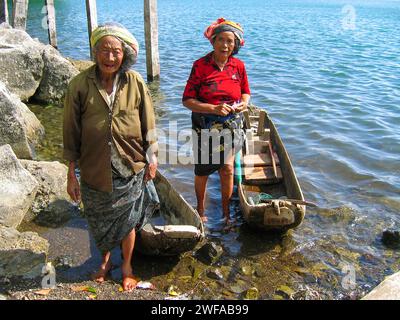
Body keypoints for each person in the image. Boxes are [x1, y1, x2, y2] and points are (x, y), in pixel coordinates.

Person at [63, 22, 159, 292]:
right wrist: (71, 174)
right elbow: (70, 132)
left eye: (116, 51)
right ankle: (104, 263)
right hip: (94, 168)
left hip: (130, 166)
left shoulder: (135, 82)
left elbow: (149, 123)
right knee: (98, 219)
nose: (110, 57)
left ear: (124, 54)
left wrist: (153, 159)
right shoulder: (79, 84)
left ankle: (127, 265)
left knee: (128, 220)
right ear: (95, 52)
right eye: (104, 51)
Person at [182, 18, 251, 223]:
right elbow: (187, 100)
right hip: (205, 125)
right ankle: (201, 210)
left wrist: (243, 104)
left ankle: (226, 213)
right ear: (213, 42)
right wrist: (213, 108)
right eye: (221, 40)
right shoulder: (200, 66)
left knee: (227, 168)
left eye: (230, 41)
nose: (225, 45)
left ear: (235, 45)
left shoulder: (238, 66)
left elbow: (246, 93)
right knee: (203, 170)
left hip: (232, 124)